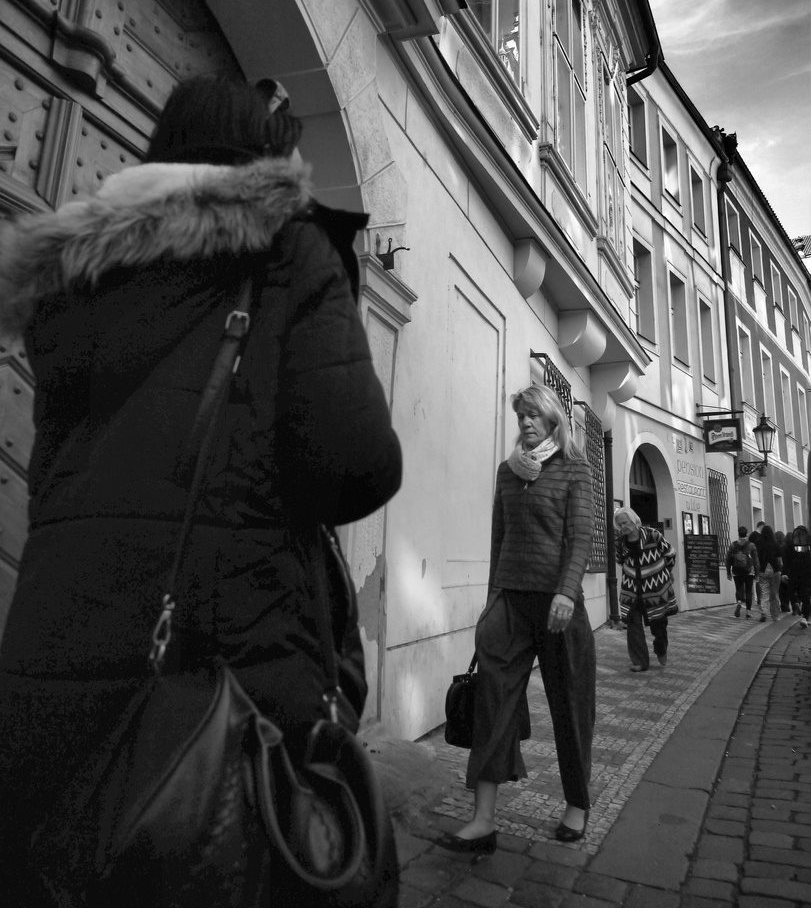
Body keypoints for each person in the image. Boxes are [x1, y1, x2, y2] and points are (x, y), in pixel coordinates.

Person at [0, 74, 402, 904]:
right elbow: (357, 463)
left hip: (53, 650)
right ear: (267, 157)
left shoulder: (74, 277)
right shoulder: (288, 250)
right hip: (225, 661)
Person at [437, 385, 596, 853]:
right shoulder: (508, 473)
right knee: (493, 705)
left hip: (557, 607)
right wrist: (491, 602)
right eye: (521, 416)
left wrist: (567, 592)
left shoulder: (574, 468)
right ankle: (483, 819)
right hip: (510, 603)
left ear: (552, 421)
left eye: (533, 415)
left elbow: (581, 536)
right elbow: (498, 539)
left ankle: (577, 805)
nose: (525, 422)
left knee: (569, 707)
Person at [614, 508, 677, 671]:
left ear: (635, 521)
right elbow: (620, 560)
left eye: (625, 523)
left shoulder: (653, 535)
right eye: (620, 524)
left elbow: (670, 553)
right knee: (633, 625)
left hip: (655, 589)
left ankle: (661, 649)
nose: (623, 527)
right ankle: (640, 662)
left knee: (659, 625)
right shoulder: (620, 542)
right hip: (632, 590)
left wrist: (665, 572)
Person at [725, 526, 760, 618]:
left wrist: (728, 572)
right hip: (748, 571)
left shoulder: (733, 545)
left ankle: (739, 602)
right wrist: (757, 574)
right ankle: (748, 612)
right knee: (748, 591)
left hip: (736, 570)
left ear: (738, 534)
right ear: (747, 534)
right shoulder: (751, 545)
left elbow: (728, 559)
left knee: (739, 588)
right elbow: (756, 561)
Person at [784, 525, 811, 627]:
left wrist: (785, 573)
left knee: (794, 591)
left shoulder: (791, 546)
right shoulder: (808, 546)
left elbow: (786, 561)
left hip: (794, 573)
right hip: (807, 574)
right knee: (806, 595)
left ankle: (796, 603)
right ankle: (804, 617)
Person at [756, 524, 783, 622]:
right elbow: (779, 558)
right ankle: (775, 615)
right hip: (775, 571)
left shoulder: (758, 544)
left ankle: (764, 613)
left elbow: (756, 559)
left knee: (764, 593)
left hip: (763, 571)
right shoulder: (775, 544)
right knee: (774, 593)